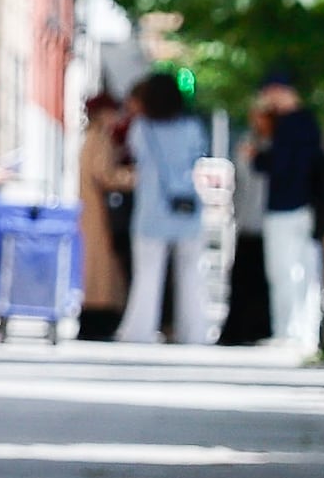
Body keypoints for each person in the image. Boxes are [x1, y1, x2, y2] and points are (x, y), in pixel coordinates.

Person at [246, 70, 324, 358]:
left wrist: (257, 156)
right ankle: (303, 333)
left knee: (285, 271)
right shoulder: (308, 124)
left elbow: (279, 166)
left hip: (287, 206)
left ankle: (289, 332)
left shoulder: (287, 126)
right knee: (304, 271)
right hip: (306, 207)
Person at [125, 71, 218, 346]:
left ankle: (139, 331)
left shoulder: (141, 128)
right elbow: (197, 157)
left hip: (151, 209)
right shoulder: (192, 128)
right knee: (192, 275)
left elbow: (135, 155)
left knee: (147, 275)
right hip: (185, 208)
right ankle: (195, 333)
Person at [76, 84, 135, 342]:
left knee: (98, 269)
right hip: (98, 212)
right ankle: (98, 320)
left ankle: (96, 317)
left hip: (93, 210)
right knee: (102, 272)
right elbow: (105, 174)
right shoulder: (100, 137)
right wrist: (132, 177)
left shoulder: (94, 136)